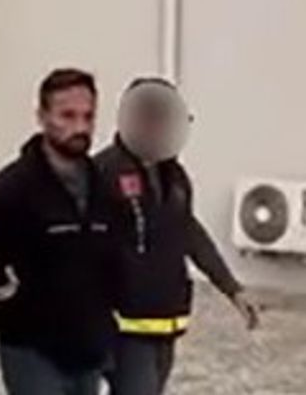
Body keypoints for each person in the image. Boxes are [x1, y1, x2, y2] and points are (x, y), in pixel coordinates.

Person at [95, 77, 259, 395]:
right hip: (123, 327)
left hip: (165, 321)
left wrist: (232, 289)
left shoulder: (174, 176)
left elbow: (188, 232)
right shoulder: (104, 173)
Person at [0, 68, 119, 395]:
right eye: (67, 116)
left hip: (88, 354)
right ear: (42, 117)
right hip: (32, 355)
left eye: (88, 116)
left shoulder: (103, 187)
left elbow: (112, 258)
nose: (80, 127)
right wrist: (16, 321)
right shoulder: (13, 190)